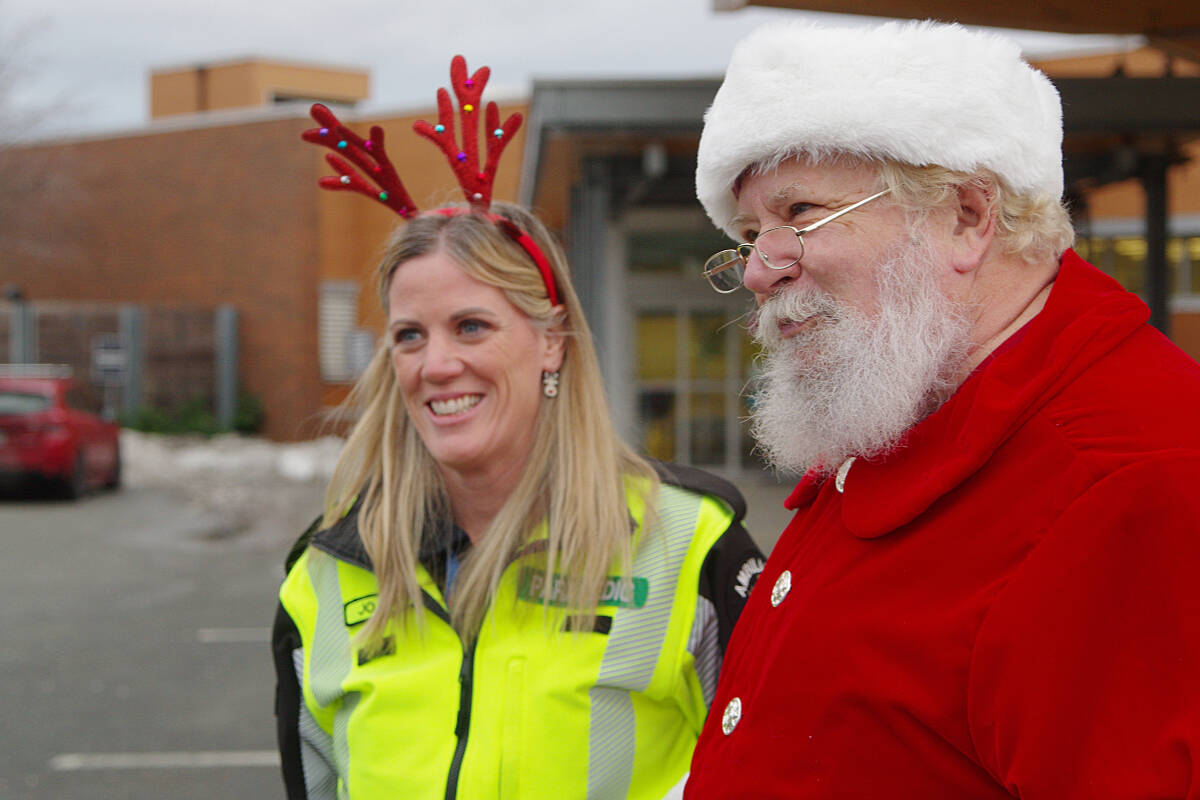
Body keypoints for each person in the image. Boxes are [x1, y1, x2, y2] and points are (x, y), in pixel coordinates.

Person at [682, 19, 1200, 799]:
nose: (759, 271)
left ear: (966, 214)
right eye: (752, 233)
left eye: (800, 215)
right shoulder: (908, 409)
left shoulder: (1130, 480)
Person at [272, 56, 764, 800]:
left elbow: (772, 770)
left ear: (550, 341)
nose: (436, 365)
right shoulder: (328, 571)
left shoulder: (687, 548)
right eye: (409, 336)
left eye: (471, 326)